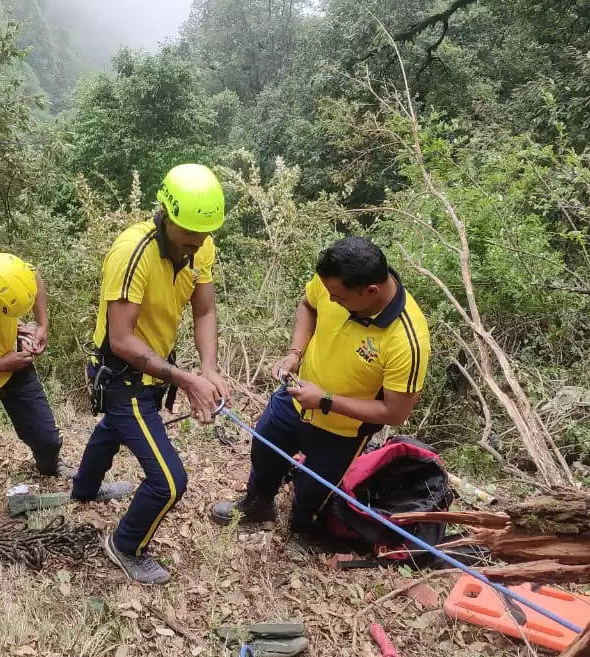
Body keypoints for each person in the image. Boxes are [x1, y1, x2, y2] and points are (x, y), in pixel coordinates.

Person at [71, 164, 231, 584]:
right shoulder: (132, 252)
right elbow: (122, 339)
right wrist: (186, 380)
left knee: (112, 430)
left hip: (153, 364)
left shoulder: (202, 245)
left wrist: (209, 370)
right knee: (170, 482)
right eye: (188, 233)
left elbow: (205, 309)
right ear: (166, 213)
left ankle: (84, 489)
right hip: (122, 372)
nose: (196, 243)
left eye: (203, 234)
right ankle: (126, 545)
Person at [211, 236, 430, 541]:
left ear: (371, 291)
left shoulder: (407, 339)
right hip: (295, 397)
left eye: (339, 297)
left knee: (314, 490)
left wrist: (325, 400)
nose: (332, 300)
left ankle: (303, 529)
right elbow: (308, 304)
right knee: (265, 451)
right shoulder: (335, 281)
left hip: (342, 430)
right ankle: (258, 504)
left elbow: (395, 412)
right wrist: (295, 354)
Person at [0, 252, 130, 510]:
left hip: (12, 367)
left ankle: (50, 464)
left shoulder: (5, 275)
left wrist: (42, 326)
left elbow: (33, 275)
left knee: (47, 438)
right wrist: (5, 362)